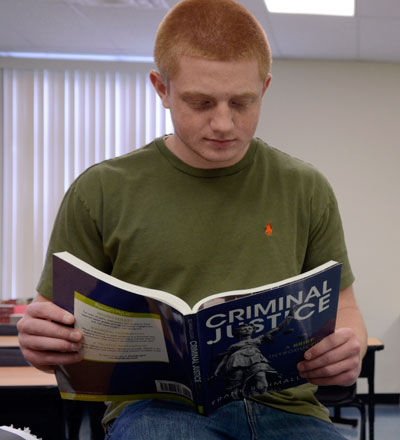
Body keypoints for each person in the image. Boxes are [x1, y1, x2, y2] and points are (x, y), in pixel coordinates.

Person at [17, 0, 367, 438]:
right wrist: (39, 338)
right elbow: (52, 315)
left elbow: (345, 307)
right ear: (160, 88)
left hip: (287, 409)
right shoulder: (101, 190)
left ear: (266, 87)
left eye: (243, 101)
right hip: (158, 411)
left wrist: (346, 348)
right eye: (200, 102)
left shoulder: (306, 187)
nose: (224, 123)